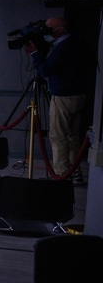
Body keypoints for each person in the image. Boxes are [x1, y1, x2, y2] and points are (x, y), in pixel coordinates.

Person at [26, 17, 91, 182]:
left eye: (49, 29)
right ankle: (75, 172)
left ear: (60, 30)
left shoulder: (63, 47)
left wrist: (34, 53)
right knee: (72, 135)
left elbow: (46, 70)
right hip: (78, 95)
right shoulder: (76, 44)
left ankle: (61, 174)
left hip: (63, 97)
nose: (46, 32)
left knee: (58, 135)